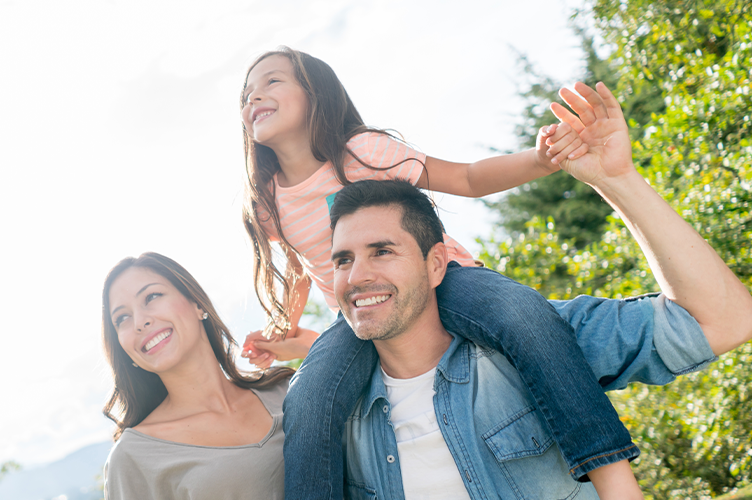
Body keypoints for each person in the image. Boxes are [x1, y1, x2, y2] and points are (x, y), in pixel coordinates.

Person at [234, 47, 640, 496]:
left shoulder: (361, 152)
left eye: (271, 81)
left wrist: (542, 160)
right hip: (362, 313)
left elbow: (466, 178)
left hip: (446, 277)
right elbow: (300, 265)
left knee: (523, 314)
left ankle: (609, 470)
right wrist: (285, 329)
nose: (254, 97)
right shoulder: (268, 198)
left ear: (316, 93)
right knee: (308, 398)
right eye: (246, 94)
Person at [328, 83, 752, 498]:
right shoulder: (332, 419)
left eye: (382, 251)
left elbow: (725, 320)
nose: (356, 276)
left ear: (436, 263)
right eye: (342, 260)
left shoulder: (541, 341)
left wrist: (617, 180)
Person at [99, 252, 294, 500]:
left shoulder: (285, 388)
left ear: (196, 303)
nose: (139, 322)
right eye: (122, 318)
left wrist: (308, 348)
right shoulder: (133, 457)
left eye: (152, 297)